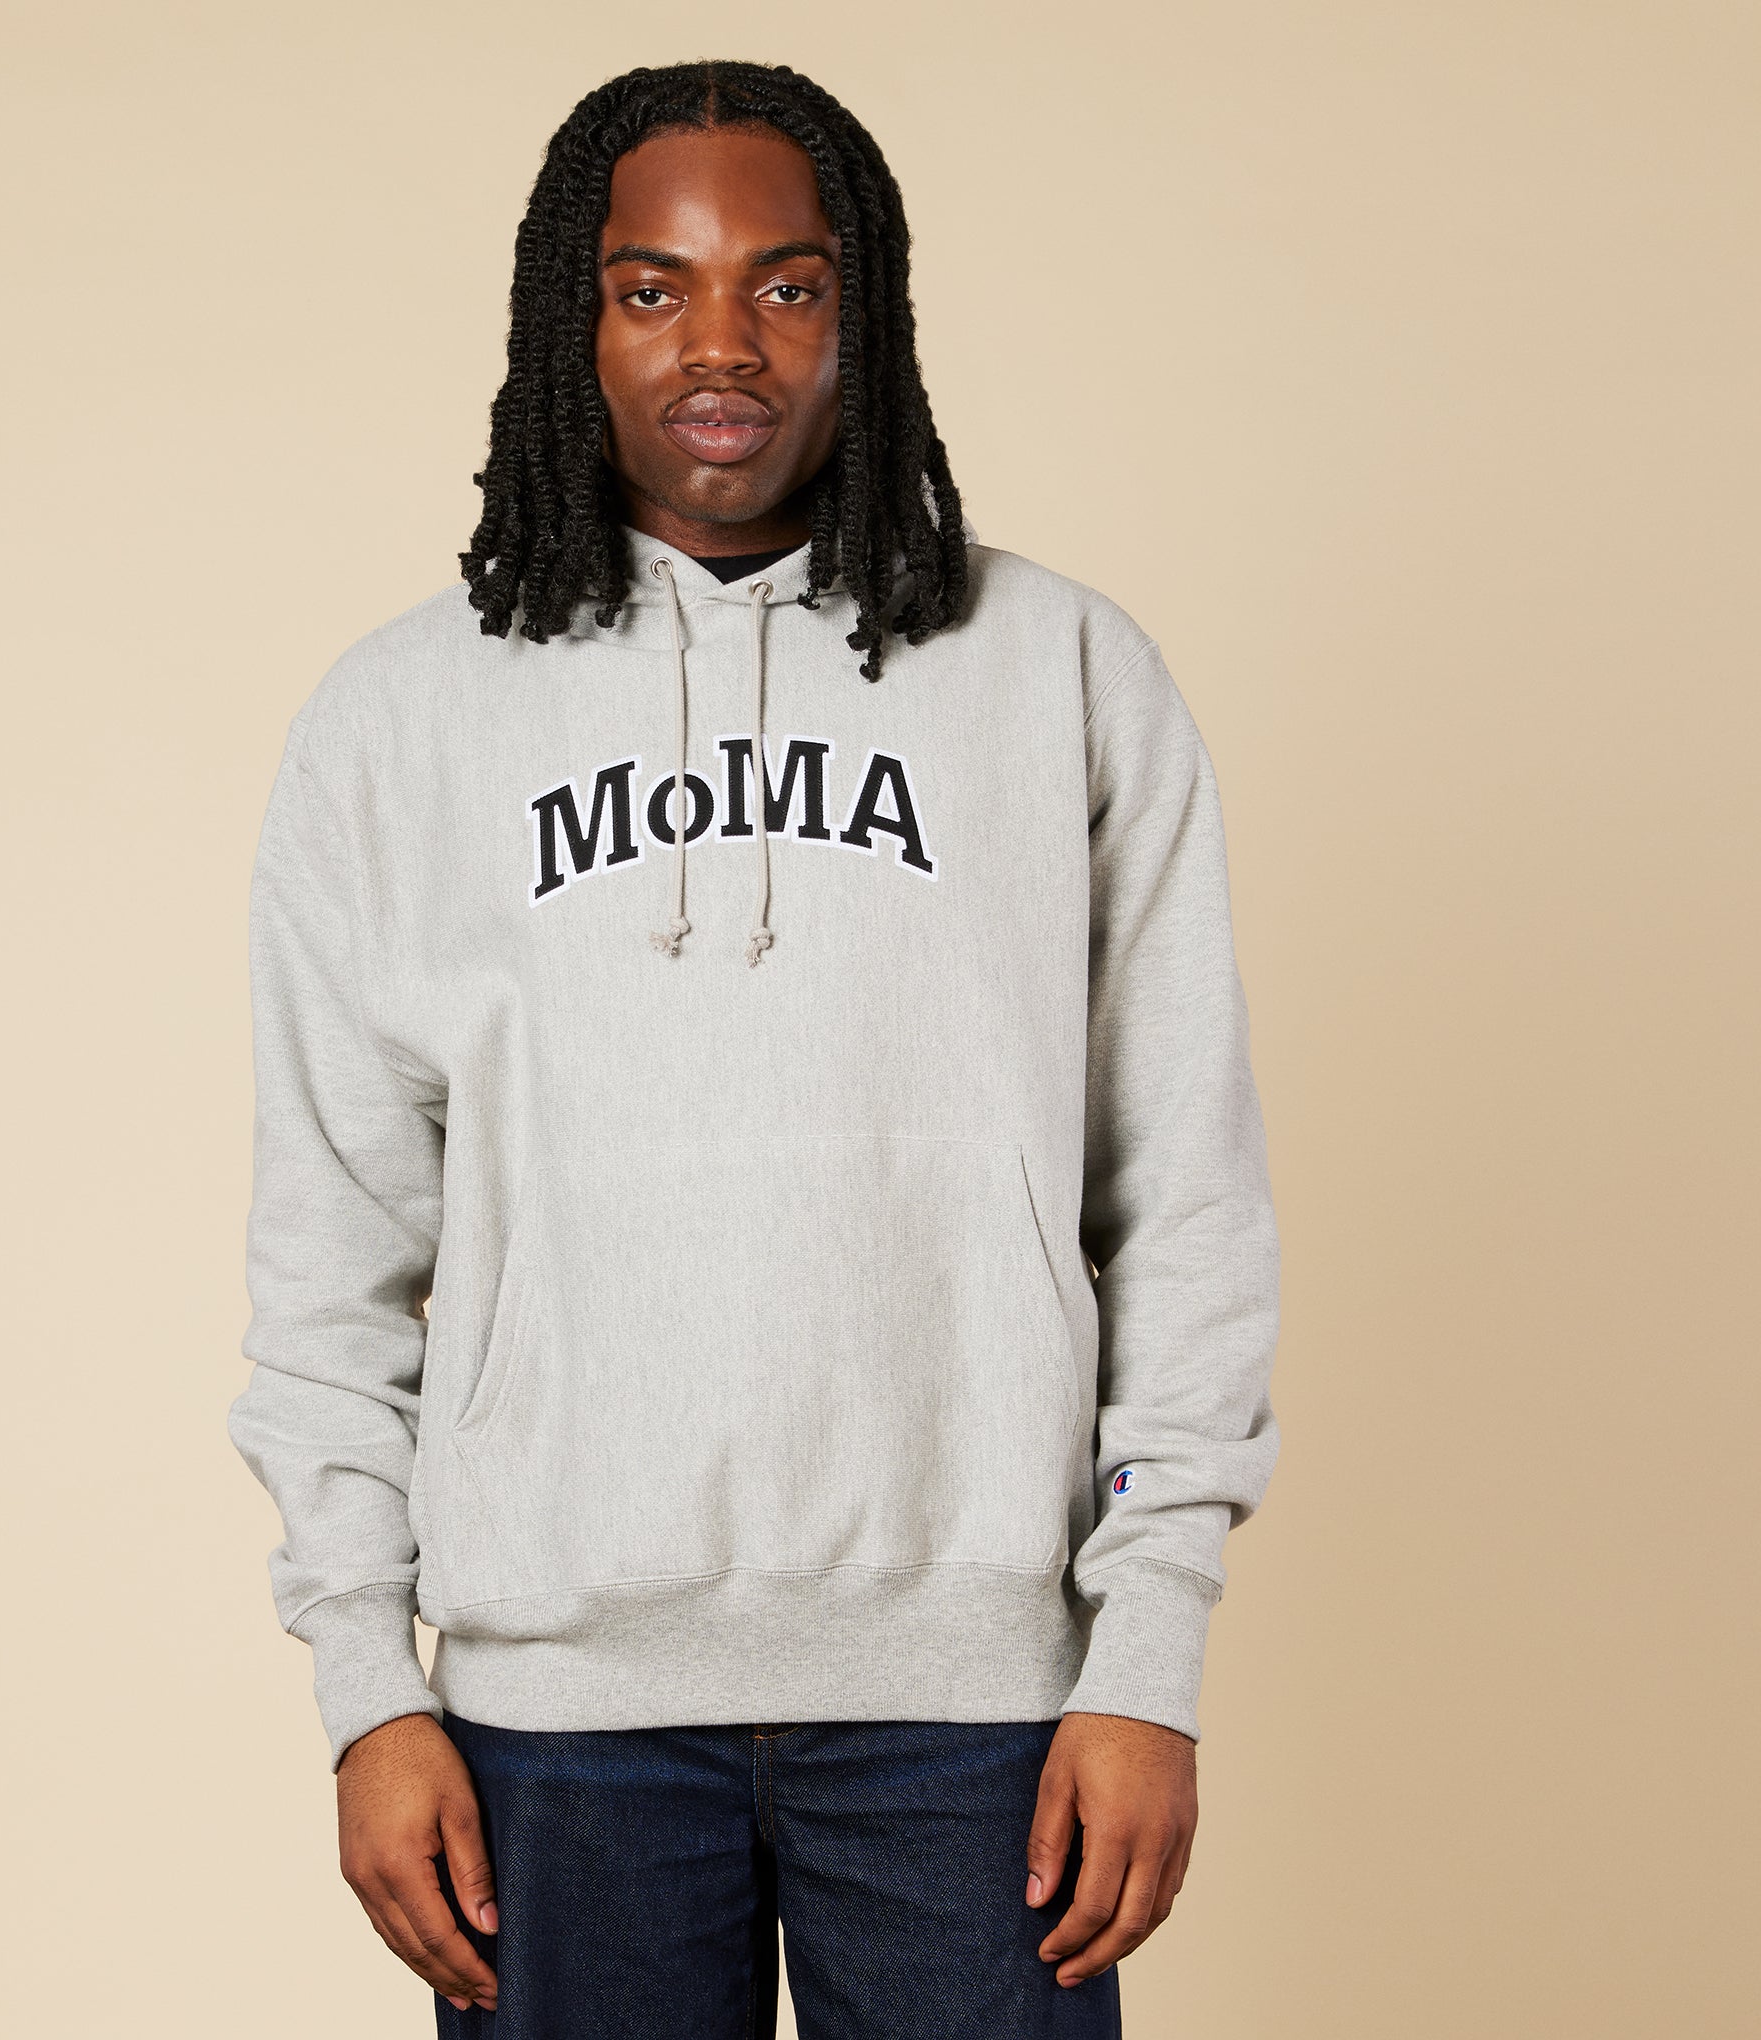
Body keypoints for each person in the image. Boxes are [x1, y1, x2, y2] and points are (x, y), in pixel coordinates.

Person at [229, 58, 1280, 2039]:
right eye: (653, 288)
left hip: (986, 1715)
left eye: (788, 286)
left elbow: (1187, 1204)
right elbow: (331, 1255)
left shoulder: (1064, 673)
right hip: (554, 1725)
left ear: (865, 313)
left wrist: (1148, 1655)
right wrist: (369, 1687)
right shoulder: (399, 723)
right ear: (574, 320)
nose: (722, 343)